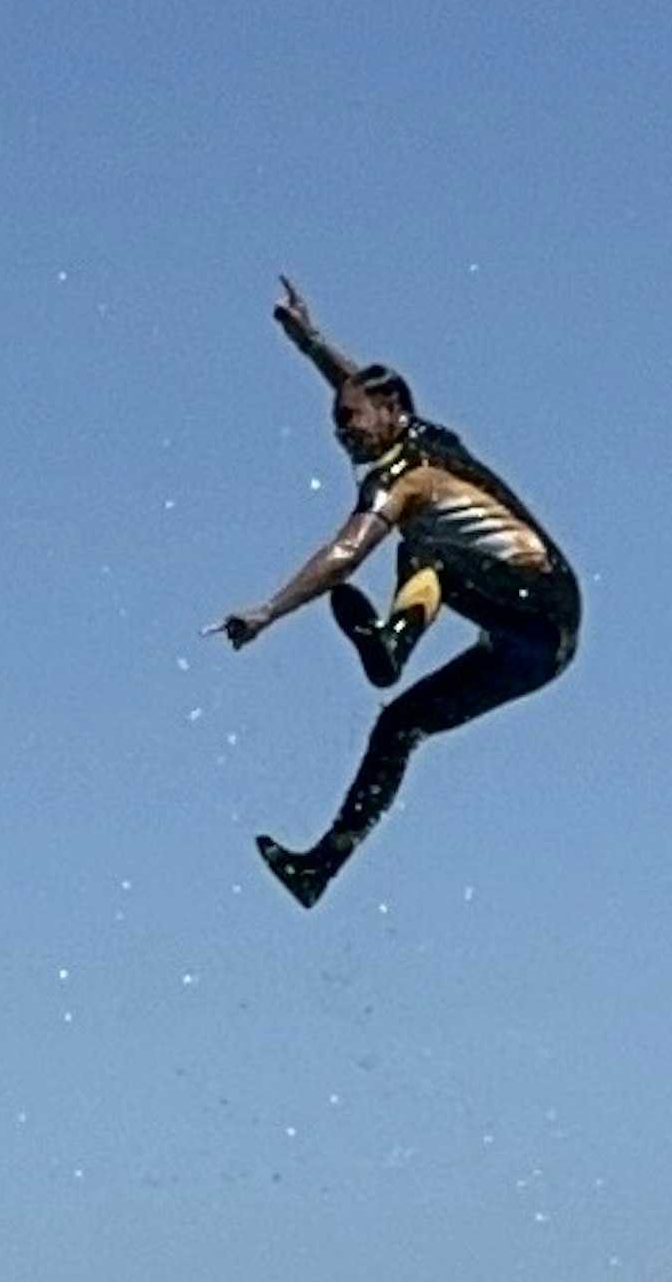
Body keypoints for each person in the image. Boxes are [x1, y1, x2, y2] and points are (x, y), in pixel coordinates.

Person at [223, 279, 581, 907]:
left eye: (349, 423)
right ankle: (321, 868)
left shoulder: (410, 472)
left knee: (423, 551)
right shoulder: (410, 430)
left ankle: (393, 642)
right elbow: (356, 385)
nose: (342, 436)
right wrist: (309, 342)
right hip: (533, 651)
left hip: (543, 598)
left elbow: (344, 556)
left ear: (392, 410)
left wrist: (270, 611)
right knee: (397, 726)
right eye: (336, 426)